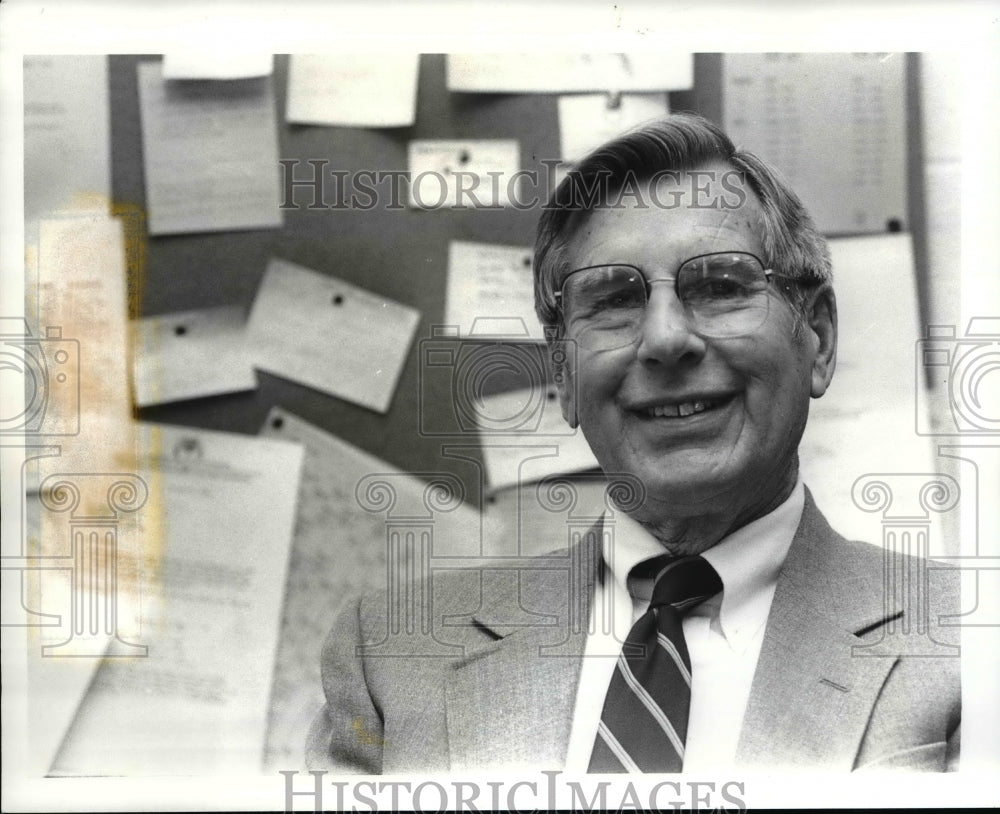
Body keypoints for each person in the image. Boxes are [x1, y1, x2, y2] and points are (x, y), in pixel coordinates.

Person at [306, 113, 960, 774]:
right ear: (561, 370)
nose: (665, 339)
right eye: (614, 299)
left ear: (817, 337)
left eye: (720, 286)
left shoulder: (968, 645)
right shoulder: (390, 656)